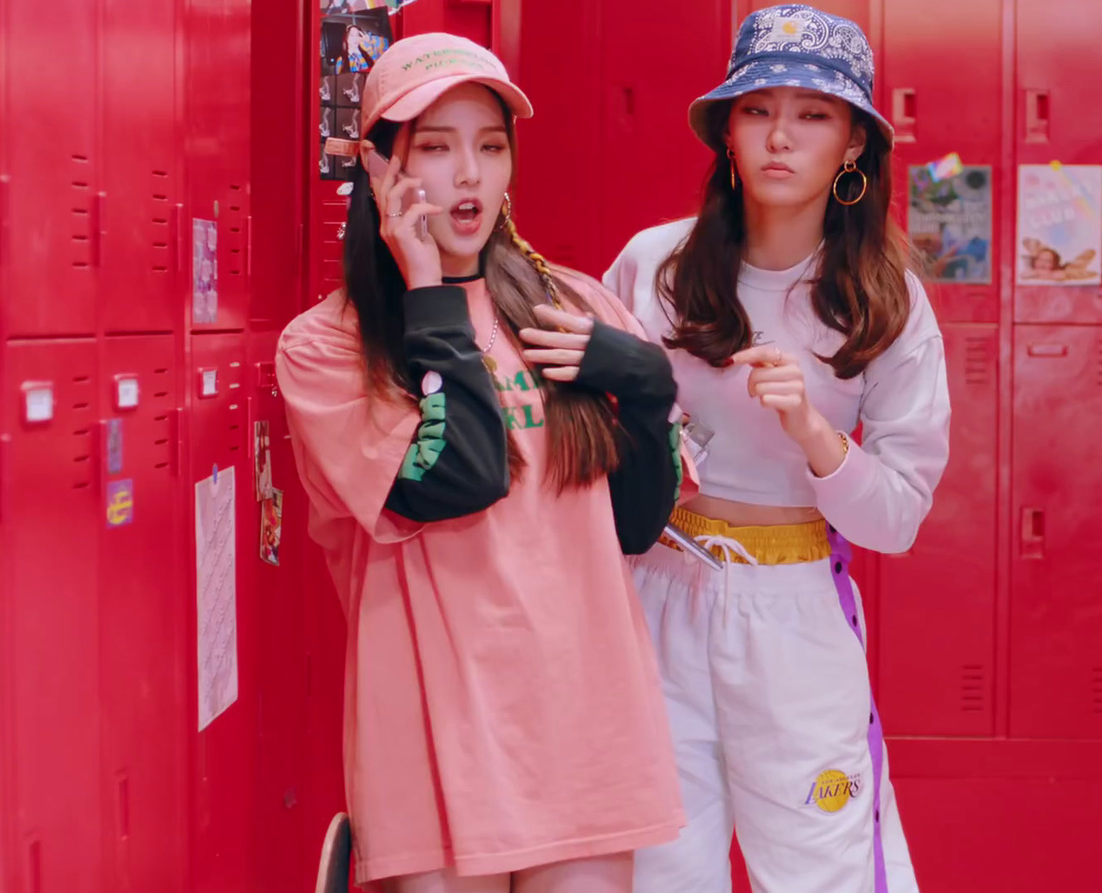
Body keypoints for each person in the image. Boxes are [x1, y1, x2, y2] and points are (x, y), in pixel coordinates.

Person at [277, 33, 691, 893]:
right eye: (435, 145)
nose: (469, 173)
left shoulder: (573, 306)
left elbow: (635, 525)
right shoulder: (325, 348)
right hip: (432, 741)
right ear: (379, 166)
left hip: (584, 726)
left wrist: (648, 398)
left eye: (491, 145)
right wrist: (432, 293)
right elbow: (459, 481)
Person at [602, 6, 951, 893]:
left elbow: (899, 518)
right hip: (656, 595)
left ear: (854, 147)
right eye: (758, 110)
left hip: (792, 610)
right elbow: (585, 432)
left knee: (820, 875)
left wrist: (817, 436)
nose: (781, 137)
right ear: (727, 130)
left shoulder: (885, 302)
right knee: (655, 873)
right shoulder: (655, 265)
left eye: (814, 114)